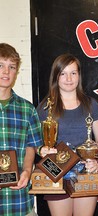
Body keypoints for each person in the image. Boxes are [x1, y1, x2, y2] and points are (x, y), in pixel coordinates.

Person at [37, 53, 98, 216]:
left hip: (85, 172)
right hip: (56, 172)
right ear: (56, 76)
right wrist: (42, 151)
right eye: (63, 73)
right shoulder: (45, 108)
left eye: (73, 73)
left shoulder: (91, 105)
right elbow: (36, 143)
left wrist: (95, 158)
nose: (68, 78)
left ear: (79, 76)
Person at [0, 43, 43, 215]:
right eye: (1, 66)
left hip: (18, 202)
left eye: (11, 67)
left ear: (16, 73)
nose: (6, 72)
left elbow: (31, 146)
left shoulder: (27, 109)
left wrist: (26, 170)